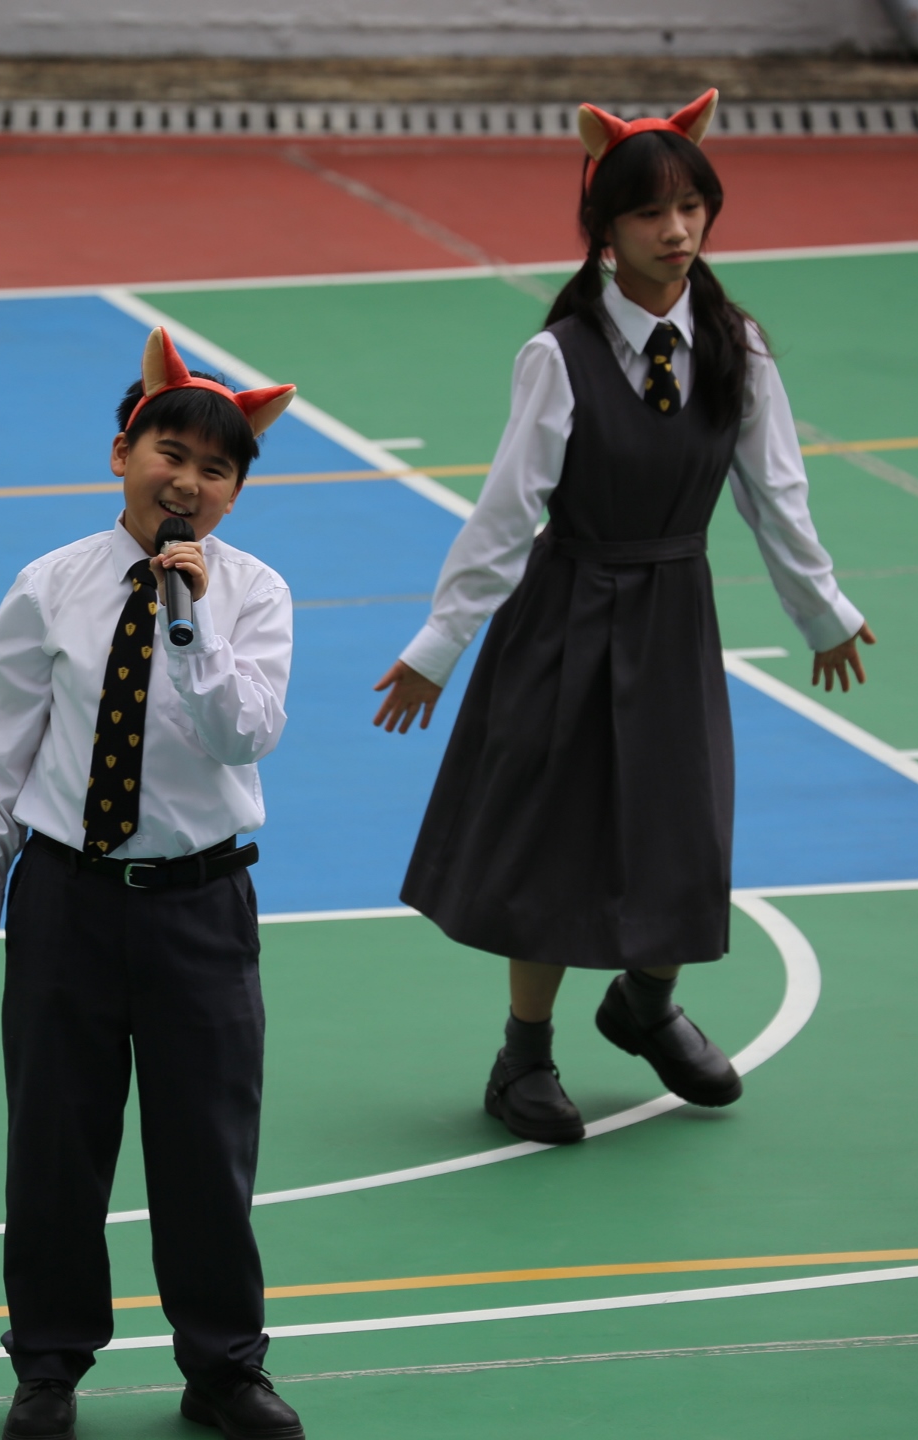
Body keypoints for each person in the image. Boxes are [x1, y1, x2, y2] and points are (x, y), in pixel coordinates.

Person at [371, 91, 876, 1146]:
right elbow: (505, 514)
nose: (677, 230)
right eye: (651, 212)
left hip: (673, 613)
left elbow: (775, 494)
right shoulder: (559, 356)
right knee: (555, 839)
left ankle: (645, 1005)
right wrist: (438, 647)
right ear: (605, 227)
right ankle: (524, 1056)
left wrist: (823, 610)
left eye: (692, 207)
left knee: (684, 828)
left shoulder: (737, 346)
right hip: (567, 611)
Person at [0, 328, 308, 1440]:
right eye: (170, 454)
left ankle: (223, 1368)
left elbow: (244, 735)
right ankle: (48, 1367)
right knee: (55, 1149)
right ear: (122, 455)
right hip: (68, 898)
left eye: (216, 468)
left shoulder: (252, 595)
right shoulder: (50, 585)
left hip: (202, 905)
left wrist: (188, 623)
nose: (188, 481)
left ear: (237, 493)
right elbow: (0, 749)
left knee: (207, 1150)